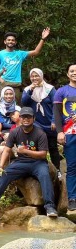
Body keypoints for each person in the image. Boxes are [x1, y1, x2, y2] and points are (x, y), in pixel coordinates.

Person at [0, 107, 57, 217]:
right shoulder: (15, 132)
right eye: (24, 117)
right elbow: (7, 149)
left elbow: (43, 154)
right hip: (21, 162)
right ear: (20, 118)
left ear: (33, 119)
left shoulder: (40, 133)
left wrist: (25, 151)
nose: (26, 119)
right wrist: (0, 166)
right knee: (3, 174)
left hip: (38, 162)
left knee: (45, 175)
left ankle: (50, 207)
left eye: (29, 117)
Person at [21, 68, 60, 175]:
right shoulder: (28, 89)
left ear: (41, 76)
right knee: (37, 147)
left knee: (52, 147)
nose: (34, 78)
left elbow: (56, 105)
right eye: (32, 76)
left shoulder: (50, 89)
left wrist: (54, 120)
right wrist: (31, 89)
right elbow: (24, 102)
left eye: (36, 76)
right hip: (36, 122)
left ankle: (57, 170)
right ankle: (39, 169)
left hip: (49, 123)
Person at [0, 29, 50, 96]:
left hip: (16, 84)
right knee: (1, 105)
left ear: (15, 42)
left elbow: (35, 52)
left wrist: (42, 39)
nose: (11, 41)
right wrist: (1, 80)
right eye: (9, 40)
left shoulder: (20, 54)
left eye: (13, 40)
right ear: (5, 41)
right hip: (3, 83)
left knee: (16, 105)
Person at [54, 64, 76, 211]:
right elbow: (56, 113)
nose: (75, 73)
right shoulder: (61, 91)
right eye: (72, 71)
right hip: (69, 133)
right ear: (67, 74)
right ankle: (72, 198)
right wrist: (60, 132)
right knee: (72, 167)